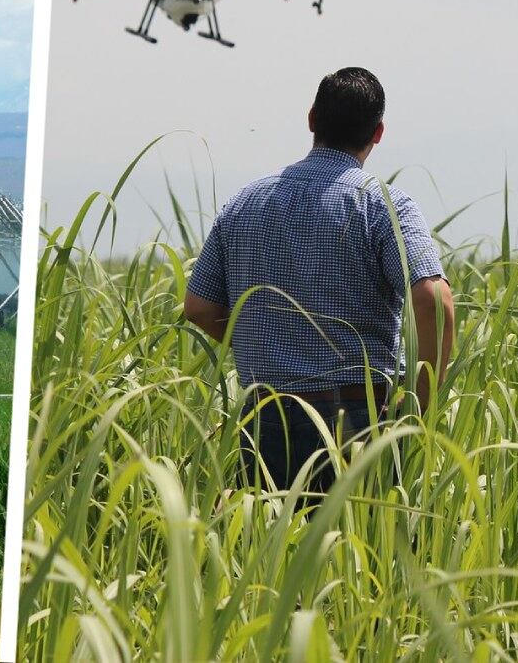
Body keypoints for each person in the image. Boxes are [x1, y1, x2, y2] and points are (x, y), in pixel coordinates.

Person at [183, 67, 455, 496]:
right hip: (356, 418)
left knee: (264, 554)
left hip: (266, 415)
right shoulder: (384, 205)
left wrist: (265, 344)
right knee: (356, 554)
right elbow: (434, 299)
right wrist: (418, 405)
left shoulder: (243, 203)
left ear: (312, 119)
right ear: (378, 132)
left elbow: (198, 307)